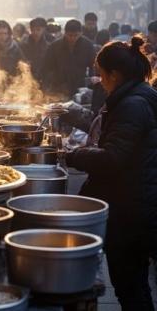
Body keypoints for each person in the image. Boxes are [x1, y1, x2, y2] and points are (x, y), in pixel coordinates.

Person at [65, 37, 157, 310]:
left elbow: (113, 158)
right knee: (133, 284)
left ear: (114, 75)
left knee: (130, 285)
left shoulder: (133, 104)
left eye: (101, 74)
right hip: (135, 200)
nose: (100, 80)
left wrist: (73, 155)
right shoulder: (137, 95)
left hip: (132, 207)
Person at [41, 19, 95, 97]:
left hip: (80, 88)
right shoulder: (55, 47)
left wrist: (91, 84)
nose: (72, 38)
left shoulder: (88, 46)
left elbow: (93, 67)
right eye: (70, 35)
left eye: (76, 35)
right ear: (65, 33)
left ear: (81, 33)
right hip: (59, 87)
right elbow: (47, 68)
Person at [21, 17, 50, 81]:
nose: (35, 32)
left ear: (44, 29)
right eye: (33, 30)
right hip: (27, 78)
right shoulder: (23, 45)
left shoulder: (48, 46)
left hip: (43, 79)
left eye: (38, 29)